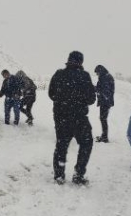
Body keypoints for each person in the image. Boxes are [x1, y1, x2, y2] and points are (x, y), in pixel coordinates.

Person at [48, 51, 96, 185]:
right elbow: (92, 99)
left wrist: (62, 100)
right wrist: (79, 100)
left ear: (68, 60)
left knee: (61, 145)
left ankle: (59, 175)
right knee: (86, 143)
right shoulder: (85, 76)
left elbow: (51, 94)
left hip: (61, 117)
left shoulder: (58, 74)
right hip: (79, 117)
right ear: (81, 62)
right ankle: (78, 174)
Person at [94, 65, 115, 143]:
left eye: (97, 73)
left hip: (105, 101)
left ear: (100, 71)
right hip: (106, 101)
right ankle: (104, 136)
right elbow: (102, 88)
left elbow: (104, 90)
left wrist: (95, 89)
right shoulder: (106, 76)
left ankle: (105, 137)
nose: (97, 75)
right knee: (103, 118)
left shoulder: (105, 77)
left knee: (103, 119)